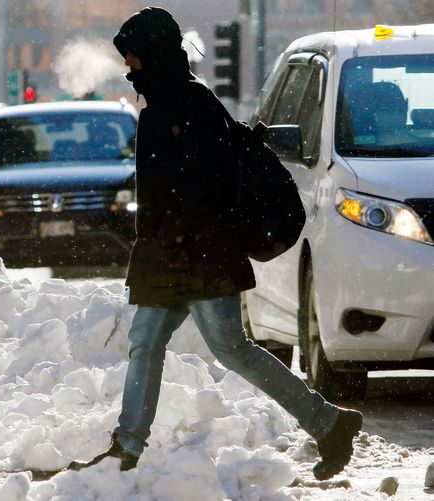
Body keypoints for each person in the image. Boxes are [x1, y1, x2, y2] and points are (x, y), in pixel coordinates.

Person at [69, 7, 362, 481]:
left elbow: (211, 184)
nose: (130, 68)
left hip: (199, 254)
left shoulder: (190, 103)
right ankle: (126, 447)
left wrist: (175, 234)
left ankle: (329, 423)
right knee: (146, 341)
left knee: (231, 348)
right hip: (173, 253)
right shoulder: (167, 102)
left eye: (136, 59)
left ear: (157, 55)